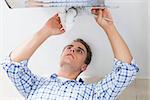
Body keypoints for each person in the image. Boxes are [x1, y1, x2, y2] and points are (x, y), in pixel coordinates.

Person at [1, 8, 139, 100]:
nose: (72, 50)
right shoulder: (35, 85)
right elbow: (12, 65)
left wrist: (109, 27)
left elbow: (126, 71)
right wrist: (45, 31)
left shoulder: (93, 93)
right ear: (60, 56)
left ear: (84, 67)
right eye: (69, 47)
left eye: (79, 51)